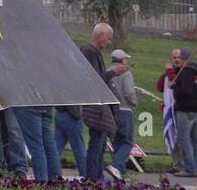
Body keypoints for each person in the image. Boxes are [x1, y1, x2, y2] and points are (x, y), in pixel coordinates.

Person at [79, 23, 115, 181]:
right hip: (94, 106)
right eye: (108, 38)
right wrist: (113, 72)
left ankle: (97, 175)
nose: (109, 42)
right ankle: (93, 177)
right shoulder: (89, 52)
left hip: (98, 104)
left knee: (100, 143)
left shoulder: (95, 52)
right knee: (96, 143)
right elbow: (95, 80)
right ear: (99, 35)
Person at [105, 49, 137, 181]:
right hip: (125, 110)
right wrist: (135, 102)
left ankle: (121, 173)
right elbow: (129, 93)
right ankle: (115, 165)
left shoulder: (107, 72)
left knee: (117, 141)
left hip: (111, 110)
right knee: (127, 142)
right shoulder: (126, 73)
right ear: (122, 60)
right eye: (126, 58)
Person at [173, 47, 197, 177]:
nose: (179, 60)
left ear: (185, 58)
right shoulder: (194, 70)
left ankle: (189, 168)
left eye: (181, 57)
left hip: (185, 108)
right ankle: (194, 166)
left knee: (184, 138)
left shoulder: (186, 71)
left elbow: (186, 91)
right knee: (194, 139)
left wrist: (176, 86)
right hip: (195, 108)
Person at [52, 105, 87, 178]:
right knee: (79, 149)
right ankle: (85, 175)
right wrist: (78, 115)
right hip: (72, 117)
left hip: (60, 114)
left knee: (56, 149)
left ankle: (54, 174)